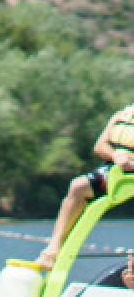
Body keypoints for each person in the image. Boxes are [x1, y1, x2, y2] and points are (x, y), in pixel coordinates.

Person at [36, 103, 134, 268]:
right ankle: (53, 248)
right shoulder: (122, 115)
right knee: (78, 186)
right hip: (116, 170)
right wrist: (115, 156)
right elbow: (99, 146)